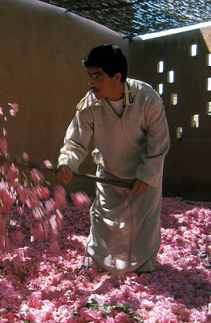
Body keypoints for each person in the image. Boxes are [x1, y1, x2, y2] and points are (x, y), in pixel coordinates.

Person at [56, 45, 170, 275]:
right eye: (90, 76)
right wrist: (68, 162)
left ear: (117, 76)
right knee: (102, 220)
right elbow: (76, 141)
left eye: (97, 76)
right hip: (109, 172)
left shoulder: (147, 99)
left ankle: (144, 268)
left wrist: (146, 175)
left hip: (143, 175)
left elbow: (158, 143)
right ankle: (95, 264)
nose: (91, 83)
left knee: (143, 223)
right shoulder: (89, 105)